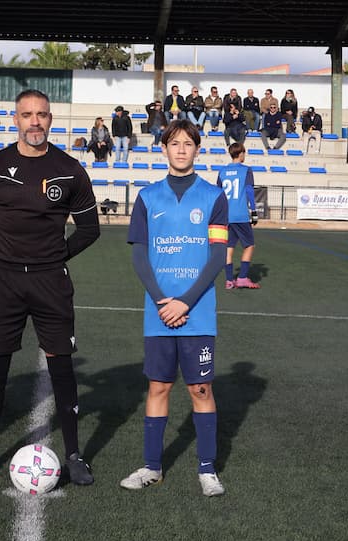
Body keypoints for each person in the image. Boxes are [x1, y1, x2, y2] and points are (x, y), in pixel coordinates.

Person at [0, 89, 100, 486]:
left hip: (50, 280)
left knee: (61, 364)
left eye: (41, 114)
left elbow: (89, 229)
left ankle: (74, 455)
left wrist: (55, 256)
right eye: (27, 115)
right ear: (16, 120)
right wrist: (4, 252)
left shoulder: (69, 169)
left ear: (50, 119)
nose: (34, 121)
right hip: (3, 280)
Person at [121, 119, 228, 497]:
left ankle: (207, 469)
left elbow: (218, 256)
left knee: (200, 388)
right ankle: (152, 467)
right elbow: (139, 256)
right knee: (159, 386)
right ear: (163, 148)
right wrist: (161, 300)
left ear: (197, 149)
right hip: (159, 311)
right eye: (174, 143)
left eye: (188, 143)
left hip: (198, 311)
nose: (181, 149)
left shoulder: (214, 196)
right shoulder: (147, 197)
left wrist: (185, 301)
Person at [217, 143, 260, 290]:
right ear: (240, 153)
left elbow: (218, 194)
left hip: (226, 216)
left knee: (229, 248)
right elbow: (249, 191)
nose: (244, 155)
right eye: (244, 153)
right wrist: (253, 211)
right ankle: (242, 278)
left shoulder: (222, 171)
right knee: (249, 245)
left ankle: (229, 280)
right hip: (240, 215)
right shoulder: (246, 170)